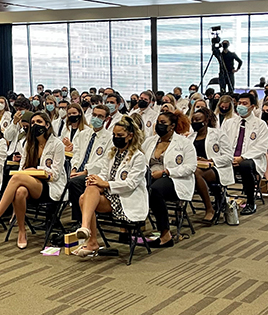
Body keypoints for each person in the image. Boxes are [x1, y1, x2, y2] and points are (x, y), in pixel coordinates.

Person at [0, 112, 66, 249]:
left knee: (16, 178)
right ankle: (22, 231)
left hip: (50, 186)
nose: (34, 125)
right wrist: (29, 172)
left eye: (39, 122)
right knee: (20, 191)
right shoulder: (28, 143)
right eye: (32, 123)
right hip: (29, 183)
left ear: (47, 124)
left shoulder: (57, 144)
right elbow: (22, 168)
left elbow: (55, 175)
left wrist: (35, 170)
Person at [72, 116, 147, 257]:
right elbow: (104, 174)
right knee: (90, 188)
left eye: (120, 135)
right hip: (109, 194)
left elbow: (130, 184)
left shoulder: (138, 157)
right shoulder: (111, 154)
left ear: (130, 136)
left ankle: (88, 236)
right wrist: (95, 179)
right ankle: (87, 233)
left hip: (126, 198)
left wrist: (105, 184)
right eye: (114, 135)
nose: (116, 138)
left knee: (84, 198)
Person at [142, 111, 196, 247]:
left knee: (155, 190)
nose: (159, 125)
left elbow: (191, 167)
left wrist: (166, 172)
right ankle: (130, 229)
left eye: (163, 123)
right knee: (134, 187)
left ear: (172, 126)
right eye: (158, 122)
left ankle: (165, 235)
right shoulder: (150, 141)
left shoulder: (184, 143)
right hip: (150, 177)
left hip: (175, 180)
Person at [222, 93, 268, 215]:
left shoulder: (260, 125)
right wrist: (229, 157)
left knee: (245, 165)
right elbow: (222, 142)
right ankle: (220, 200)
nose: (241, 106)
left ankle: (250, 202)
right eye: (239, 103)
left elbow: (261, 147)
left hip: (252, 159)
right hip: (230, 157)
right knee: (215, 166)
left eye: (245, 104)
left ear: (252, 106)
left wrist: (242, 157)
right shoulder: (229, 123)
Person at [67, 105, 112, 227]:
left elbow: (105, 161)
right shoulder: (83, 134)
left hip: (94, 173)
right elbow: (76, 154)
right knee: (67, 179)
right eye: (94, 115)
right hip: (78, 171)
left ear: (106, 119)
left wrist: (85, 172)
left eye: (100, 116)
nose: (96, 118)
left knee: (75, 182)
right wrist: (75, 168)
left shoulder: (110, 138)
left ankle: (81, 220)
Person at [188, 108, 233, 223]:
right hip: (195, 167)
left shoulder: (218, 134)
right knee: (191, 172)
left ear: (206, 121)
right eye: (193, 120)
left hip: (216, 168)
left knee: (196, 173)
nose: (194, 122)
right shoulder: (190, 137)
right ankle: (179, 209)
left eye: (198, 120)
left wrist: (210, 160)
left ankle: (209, 209)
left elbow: (229, 157)